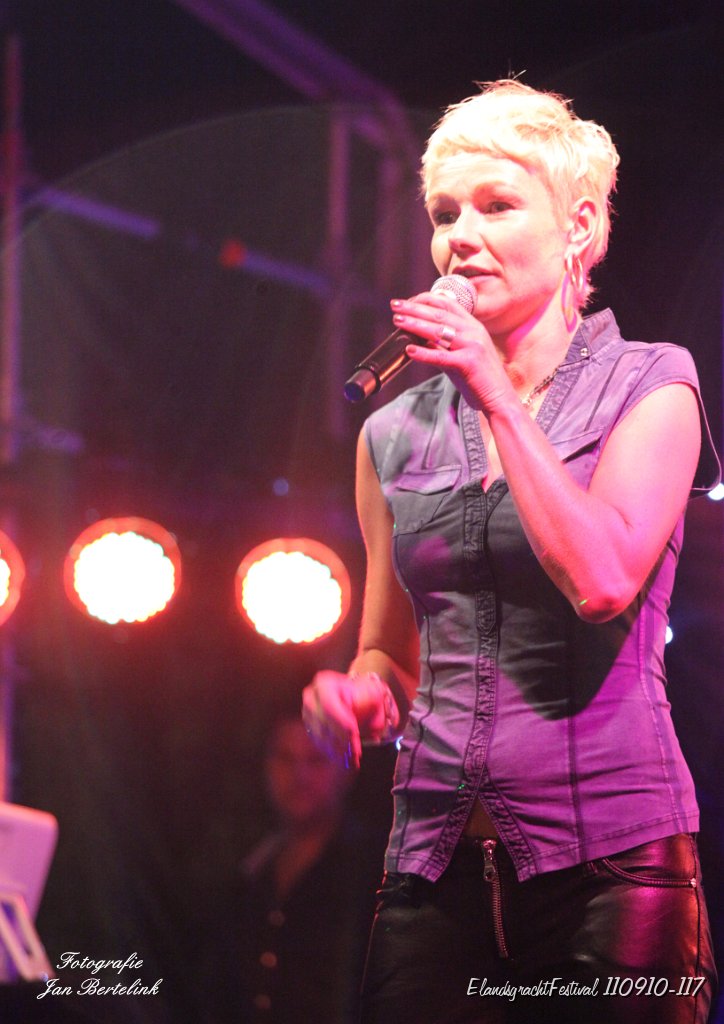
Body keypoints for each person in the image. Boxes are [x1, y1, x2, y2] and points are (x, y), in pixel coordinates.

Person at [302, 79, 720, 1024]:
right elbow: (389, 651)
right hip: (432, 869)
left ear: (579, 227)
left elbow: (603, 580)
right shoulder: (390, 435)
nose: (461, 236)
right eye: (445, 214)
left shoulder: (652, 384)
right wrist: (361, 691)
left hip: (613, 870)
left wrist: (494, 392)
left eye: (496, 206)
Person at [236, 715, 386, 1024]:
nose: (299, 775)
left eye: (316, 759)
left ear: (348, 769)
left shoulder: (373, 872)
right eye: (285, 759)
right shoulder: (251, 867)